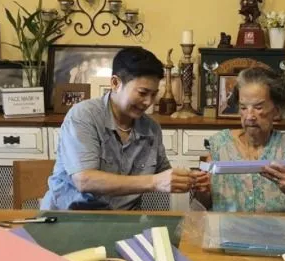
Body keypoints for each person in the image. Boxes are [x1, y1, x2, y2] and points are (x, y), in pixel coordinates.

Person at [41, 47, 208, 210]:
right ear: (115, 83)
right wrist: (154, 182)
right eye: (142, 93)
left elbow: (165, 174)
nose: (149, 102)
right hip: (71, 218)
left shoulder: (152, 129)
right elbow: (84, 180)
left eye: (154, 94)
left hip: (125, 220)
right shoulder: (84, 116)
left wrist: (192, 179)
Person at [196, 67, 285, 213]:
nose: (249, 116)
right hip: (228, 227)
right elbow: (204, 203)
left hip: (279, 227)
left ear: (277, 110)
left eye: (258, 108)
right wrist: (201, 191)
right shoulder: (219, 145)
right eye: (243, 108)